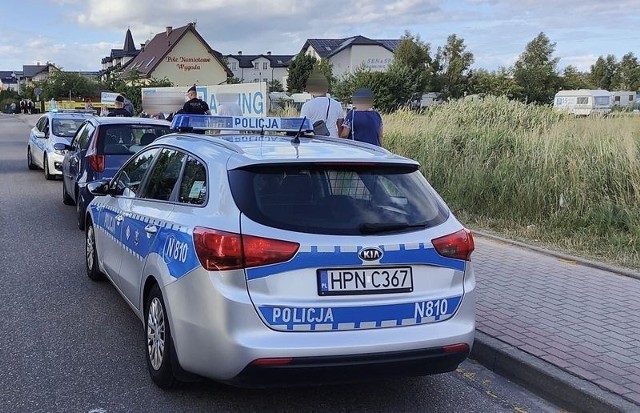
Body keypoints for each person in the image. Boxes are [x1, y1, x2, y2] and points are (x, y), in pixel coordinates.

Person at [300, 71, 343, 138]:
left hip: (315, 139)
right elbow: (340, 127)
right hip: (333, 140)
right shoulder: (337, 104)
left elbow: (303, 127)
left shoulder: (307, 106)